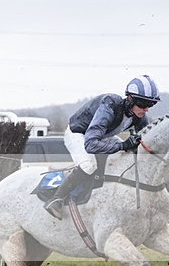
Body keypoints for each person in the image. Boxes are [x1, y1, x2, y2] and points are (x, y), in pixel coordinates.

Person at [44, 74, 160, 219]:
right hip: (79, 134)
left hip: (104, 135)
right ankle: (56, 199)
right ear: (130, 99)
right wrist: (123, 145)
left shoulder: (139, 115)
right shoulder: (110, 104)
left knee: (125, 157)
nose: (146, 109)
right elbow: (91, 144)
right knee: (88, 165)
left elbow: (145, 143)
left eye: (150, 105)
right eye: (143, 104)